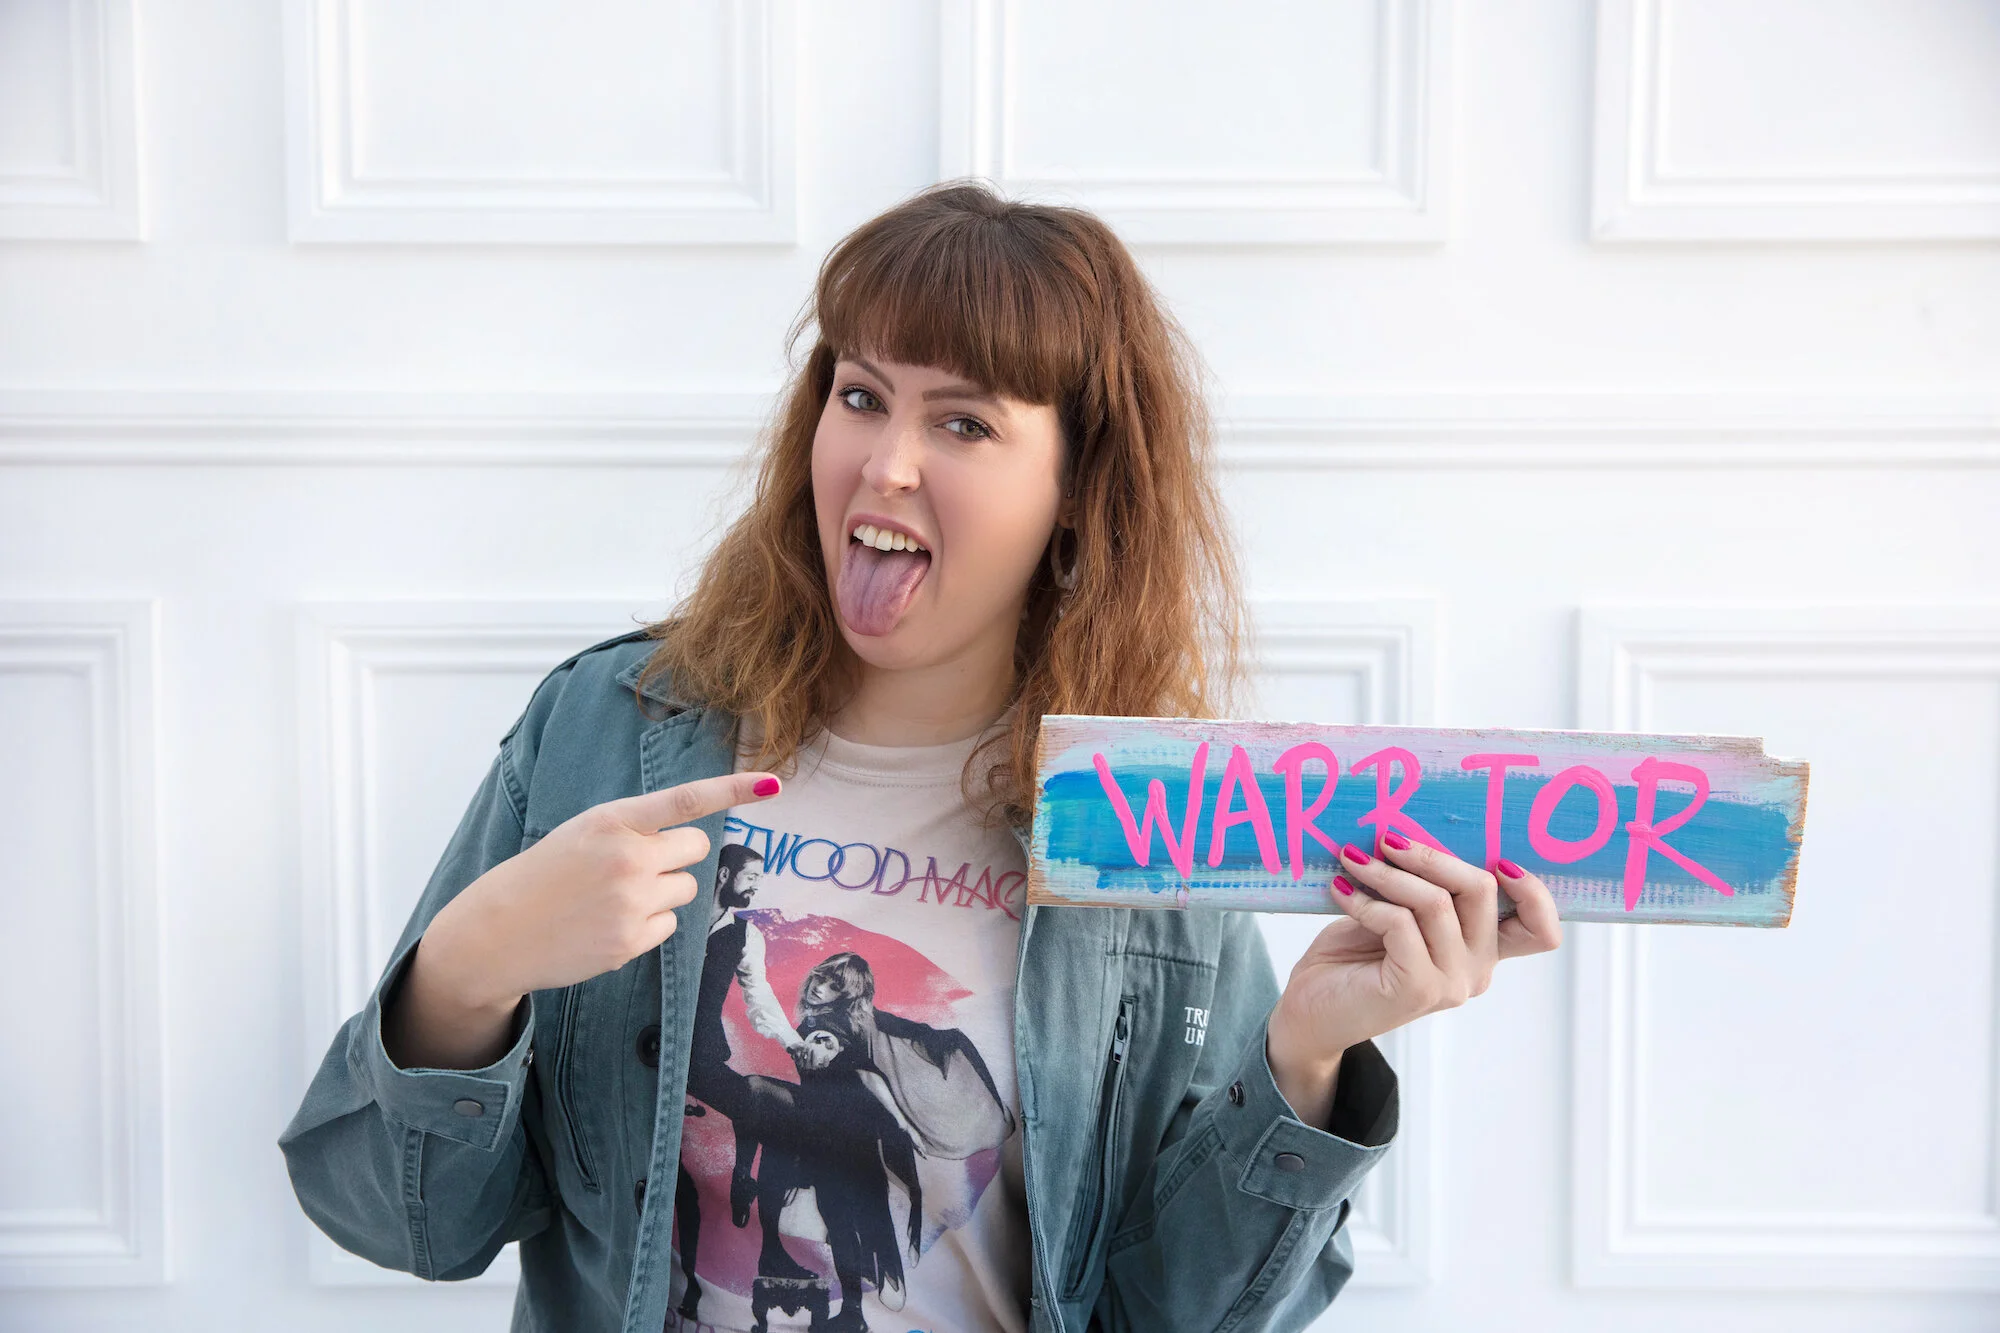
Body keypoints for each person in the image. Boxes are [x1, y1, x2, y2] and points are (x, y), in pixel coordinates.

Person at [278, 179, 1563, 1333]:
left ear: (1076, 491)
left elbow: (1179, 1316)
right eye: (860, 397)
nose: (885, 463)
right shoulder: (607, 729)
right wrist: (470, 969)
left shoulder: (1142, 816)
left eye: (963, 424)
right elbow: (402, 1223)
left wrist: (1304, 1062)